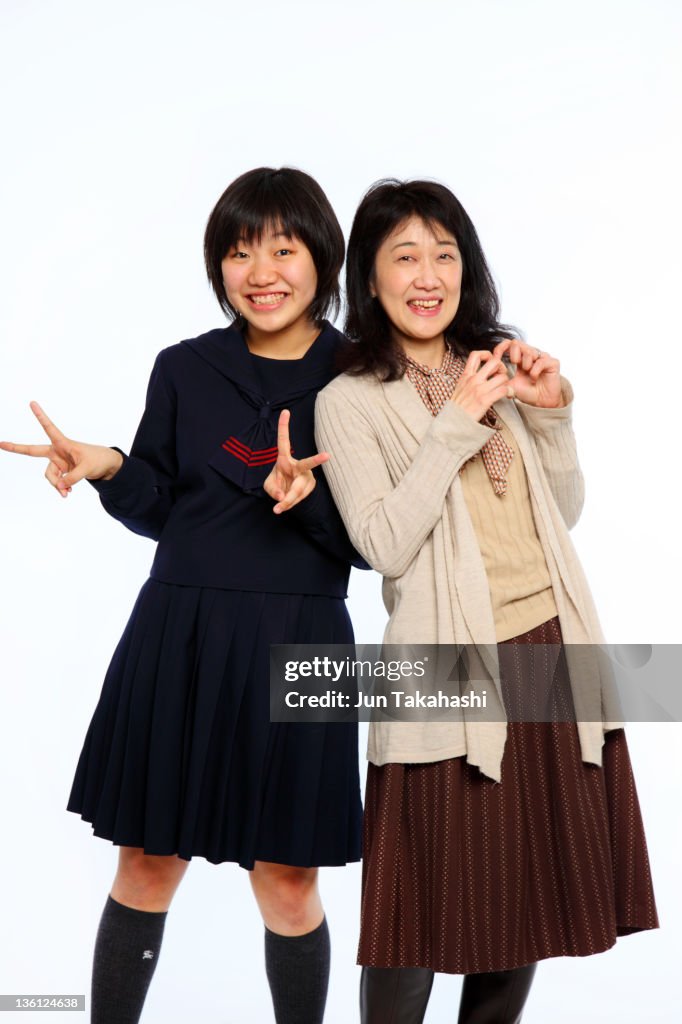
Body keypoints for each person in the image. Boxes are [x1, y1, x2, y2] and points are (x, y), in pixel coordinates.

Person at [0, 166, 366, 1024]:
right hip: (182, 630)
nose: (261, 270)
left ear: (323, 258)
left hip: (305, 637)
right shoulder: (184, 367)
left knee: (287, 877)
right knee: (147, 863)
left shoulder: (359, 376)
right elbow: (164, 510)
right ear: (218, 267)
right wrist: (111, 471)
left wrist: (306, 506)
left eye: (283, 247)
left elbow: (377, 542)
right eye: (239, 252)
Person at [314, 179, 659, 1024]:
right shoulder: (347, 400)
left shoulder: (495, 366)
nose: (428, 275)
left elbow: (561, 516)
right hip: (443, 668)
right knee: (414, 918)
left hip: (549, 651)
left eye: (445, 254)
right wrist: (455, 422)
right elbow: (382, 544)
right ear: (370, 279)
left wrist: (552, 416)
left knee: (524, 904)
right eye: (405, 257)